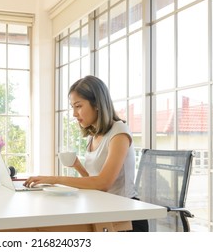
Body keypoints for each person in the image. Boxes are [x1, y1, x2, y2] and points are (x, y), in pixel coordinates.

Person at [23, 75, 148, 232]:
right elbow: (93, 180)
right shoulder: (94, 135)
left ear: (96, 103)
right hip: (103, 208)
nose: (74, 113)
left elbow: (103, 183)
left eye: (78, 106)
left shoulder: (119, 132)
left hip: (126, 217)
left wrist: (54, 179)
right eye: (72, 107)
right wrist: (77, 165)